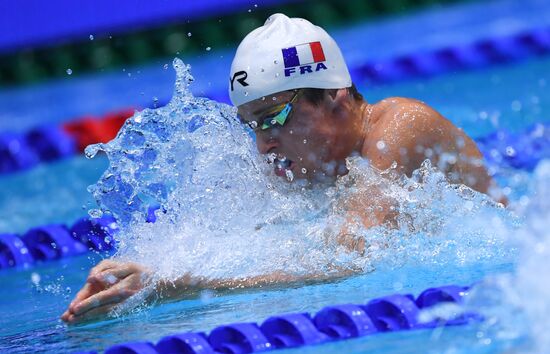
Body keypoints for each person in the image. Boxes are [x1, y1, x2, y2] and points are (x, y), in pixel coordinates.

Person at [61, 14, 504, 324]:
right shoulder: (312, 166)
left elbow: (348, 262)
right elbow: (255, 247)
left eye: (274, 116)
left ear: (337, 96)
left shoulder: (401, 128)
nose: (263, 144)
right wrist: (151, 270)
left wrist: (181, 286)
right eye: (251, 125)